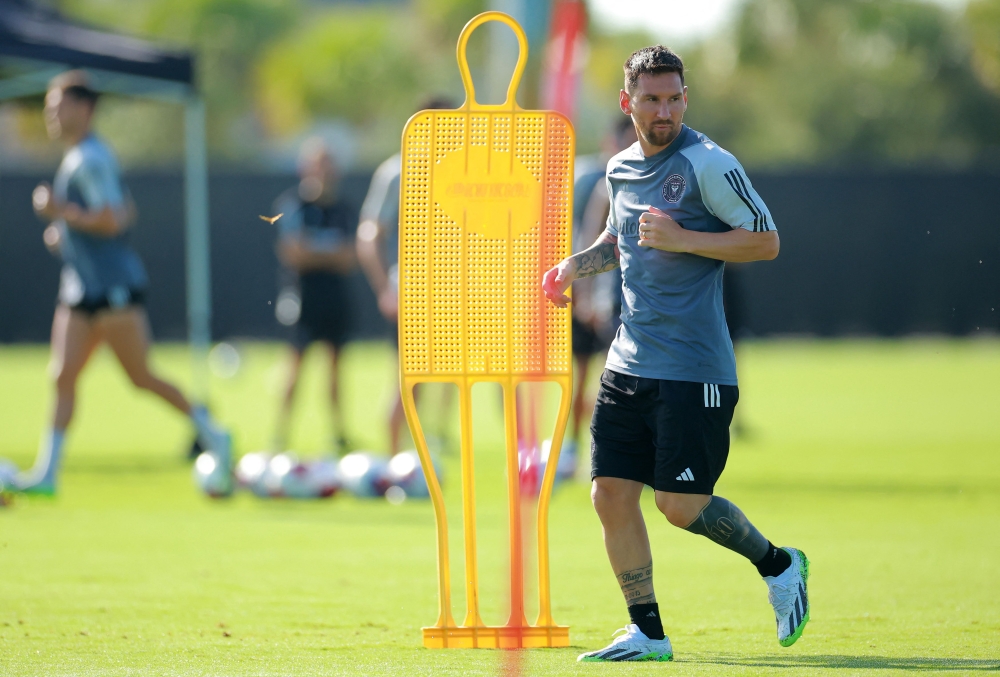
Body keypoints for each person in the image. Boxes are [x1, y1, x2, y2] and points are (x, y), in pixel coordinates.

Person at [542, 47, 808, 662]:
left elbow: (766, 242)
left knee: (679, 506)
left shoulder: (709, 163)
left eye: (673, 98)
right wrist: (572, 267)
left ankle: (779, 565)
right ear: (626, 102)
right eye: (652, 99)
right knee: (609, 494)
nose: (664, 110)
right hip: (627, 362)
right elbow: (619, 239)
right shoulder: (619, 169)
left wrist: (686, 237)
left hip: (694, 369)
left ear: (685, 98)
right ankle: (648, 633)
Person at [18, 71, 230, 495]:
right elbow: (122, 211)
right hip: (82, 286)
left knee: (140, 377)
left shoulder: (90, 158)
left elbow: (114, 217)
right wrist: (69, 231)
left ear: (85, 108)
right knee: (62, 376)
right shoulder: (81, 155)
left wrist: (62, 211)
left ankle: (214, 433)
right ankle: (47, 473)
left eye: (58, 107)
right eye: (48, 109)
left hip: (111, 288)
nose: (51, 116)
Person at [356, 98, 452, 456]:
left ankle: (425, 451)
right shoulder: (399, 169)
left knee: (453, 377)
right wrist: (386, 288)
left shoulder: (460, 169)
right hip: (413, 291)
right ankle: (394, 458)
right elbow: (369, 235)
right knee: (407, 380)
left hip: (450, 291)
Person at [563, 117, 638, 477]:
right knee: (583, 377)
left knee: (616, 380)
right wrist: (585, 294)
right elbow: (589, 238)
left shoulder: (653, 174)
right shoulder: (594, 180)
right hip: (603, 296)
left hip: (631, 301)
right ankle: (573, 447)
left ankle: (611, 451)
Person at [272, 139, 356, 453]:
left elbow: (349, 258)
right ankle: (280, 434)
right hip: (303, 297)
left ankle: (338, 433)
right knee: (294, 365)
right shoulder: (293, 205)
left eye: (328, 163)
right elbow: (292, 253)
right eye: (318, 163)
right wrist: (328, 254)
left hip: (335, 297)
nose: (324, 170)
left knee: (335, 368)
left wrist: (315, 251)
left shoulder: (343, 209)